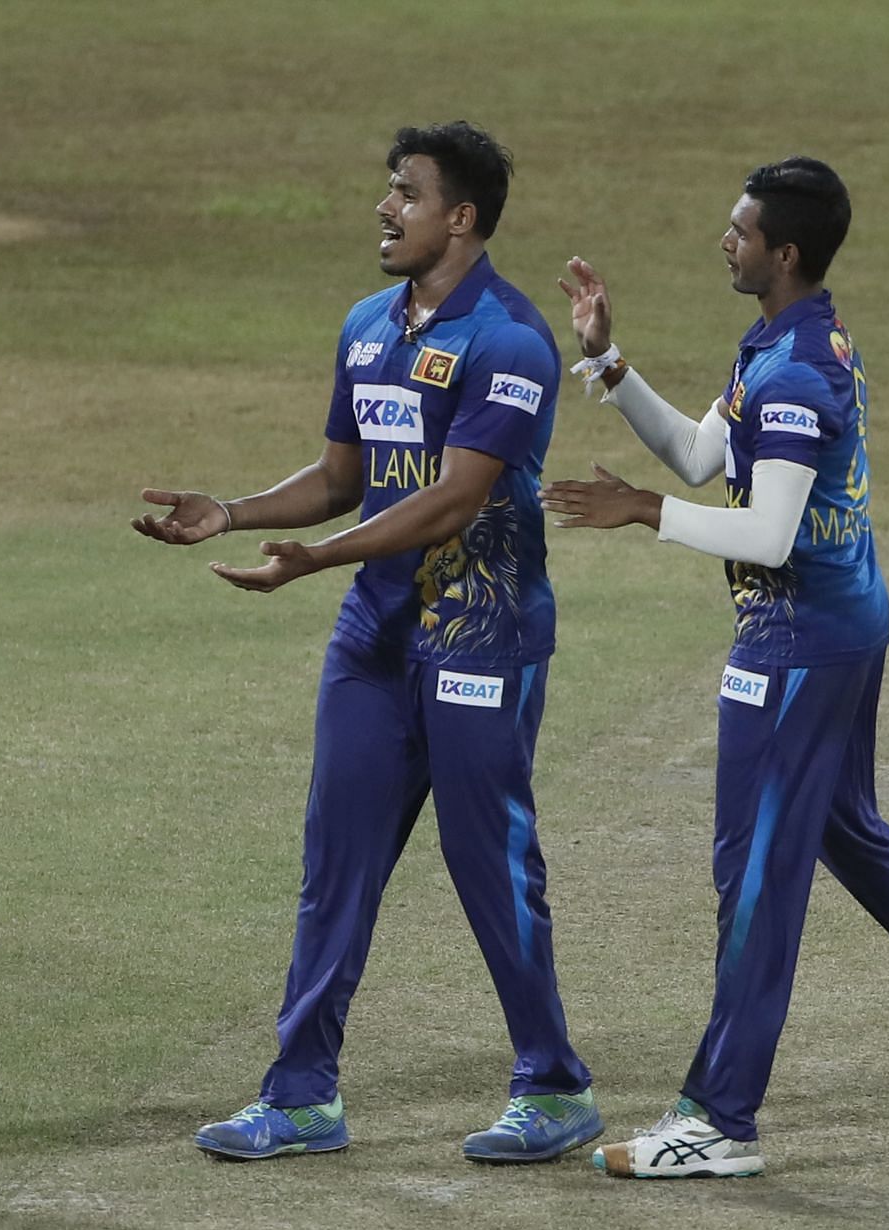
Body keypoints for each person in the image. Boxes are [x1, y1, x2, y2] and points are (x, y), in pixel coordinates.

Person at [540, 157, 889, 1179]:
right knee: (856, 841)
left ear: (784, 252)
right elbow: (705, 454)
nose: (724, 240)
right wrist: (609, 368)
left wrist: (643, 512)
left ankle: (720, 1117)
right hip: (835, 623)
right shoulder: (792, 339)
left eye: (739, 230)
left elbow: (772, 531)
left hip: (796, 641)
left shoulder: (793, 370)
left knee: (755, 878)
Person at [135, 122, 599, 1164]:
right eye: (388, 192)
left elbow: (453, 501)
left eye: (407, 193)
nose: (385, 210)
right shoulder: (365, 326)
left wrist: (318, 557)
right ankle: (302, 1094)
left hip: (482, 632)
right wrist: (240, 510)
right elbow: (344, 475)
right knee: (334, 860)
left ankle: (555, 1083)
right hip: (375, 635)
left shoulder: (511, 342)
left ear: (461, 217)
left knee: (491, 865)